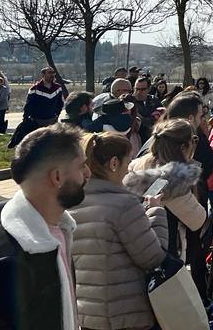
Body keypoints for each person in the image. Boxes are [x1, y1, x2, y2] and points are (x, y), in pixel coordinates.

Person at [0, 123, 90, 330]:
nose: (88, 173)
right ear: (57, 177)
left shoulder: (56, 231)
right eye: (82, 166)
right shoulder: (8, 263)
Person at [71, 132, 168, 330]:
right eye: (128, 162)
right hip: (127, 314)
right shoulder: (124, 205)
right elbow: (153, 257)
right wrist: (156, 212)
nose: (129, 169)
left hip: (88, 315)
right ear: (114, 163)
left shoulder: (72, 205)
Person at [125, 118, 205, 260]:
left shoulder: (138, 163)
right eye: (193, 140)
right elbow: (198, 220)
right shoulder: (173, 179)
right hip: (162, 248)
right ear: (183, 147)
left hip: (134, 240)